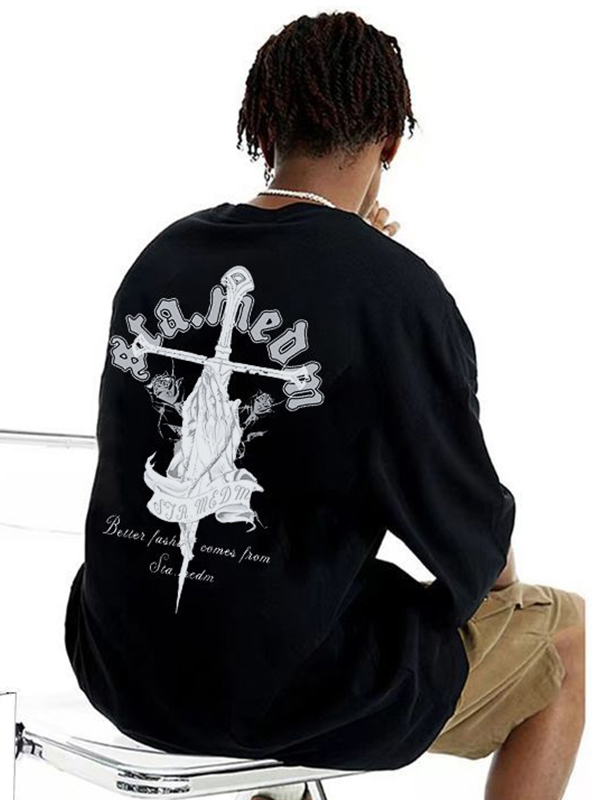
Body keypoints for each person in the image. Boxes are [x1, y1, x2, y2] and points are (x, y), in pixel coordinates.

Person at [64, 11, 585, 800]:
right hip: (288, 692)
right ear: (391, 141)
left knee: (294, 595)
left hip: (119, 664)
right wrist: (501, 585)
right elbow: (469, 538)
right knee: (566, 633)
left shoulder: (161, 256)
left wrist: (357, 259)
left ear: (262, 125)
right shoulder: (392, 293)